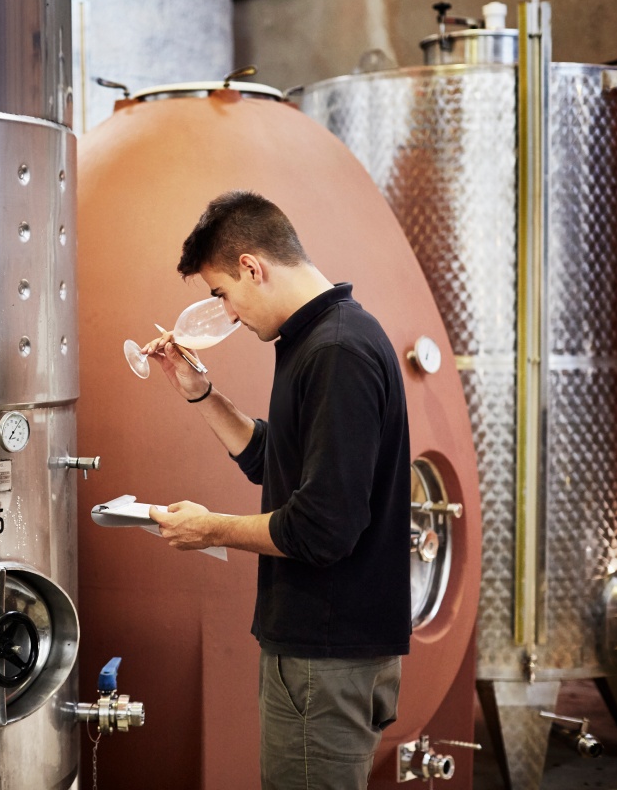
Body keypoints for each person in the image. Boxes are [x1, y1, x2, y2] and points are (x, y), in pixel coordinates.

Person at [142, 190, 411, 789]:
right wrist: (198, 391)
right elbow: (276, 460)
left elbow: (321, 528)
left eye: (221, 294)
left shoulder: (336, 351)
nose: (228, 313)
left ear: (252, 267)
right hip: (329, 651)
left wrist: (208, 528)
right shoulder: (318, 340)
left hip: (324, 653)